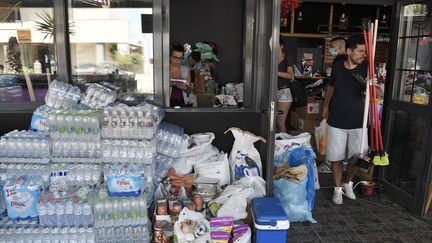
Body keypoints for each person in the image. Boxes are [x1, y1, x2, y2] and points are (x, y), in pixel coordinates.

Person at [322, 34, 368, 205]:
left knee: (359, 156)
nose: (363, 54)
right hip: (337, 120)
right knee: (336, 157)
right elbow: (331, 87)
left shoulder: (367, 68)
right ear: (349, 51)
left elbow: (376, 92)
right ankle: (337, 190)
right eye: (360, 51)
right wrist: (325, 107)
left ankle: (347, 182)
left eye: (364, 51)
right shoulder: (338, 67)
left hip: (359, 121)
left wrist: (374, 88)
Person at [318, 37, 348, 174]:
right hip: (344, 105)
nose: (330, 50)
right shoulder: (347, 62)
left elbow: (332, 86)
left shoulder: (339, 61)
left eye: (332, 47)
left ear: (340, 48)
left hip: (337, 104)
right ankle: (341, 162)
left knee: (333, 135)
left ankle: (330, 163)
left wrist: (326, 106)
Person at [276, 37, 295, 133]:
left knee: (280, 123)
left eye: (277, 44)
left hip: (283, 92)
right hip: (271, 91)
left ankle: (283, 145)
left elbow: (291, 75)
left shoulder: (287, 57)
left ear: (281, 46)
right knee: (272, 123)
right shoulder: (271, 58)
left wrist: (276, 73)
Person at [169, 42, 191, 107]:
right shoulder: (164, 70)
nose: (178, 61)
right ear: (170, 57)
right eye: (175, 57)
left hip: (183, 102)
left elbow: (189, 91)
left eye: (180, 58)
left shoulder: (186, 70)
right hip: (167, 102)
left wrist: (185, 88)